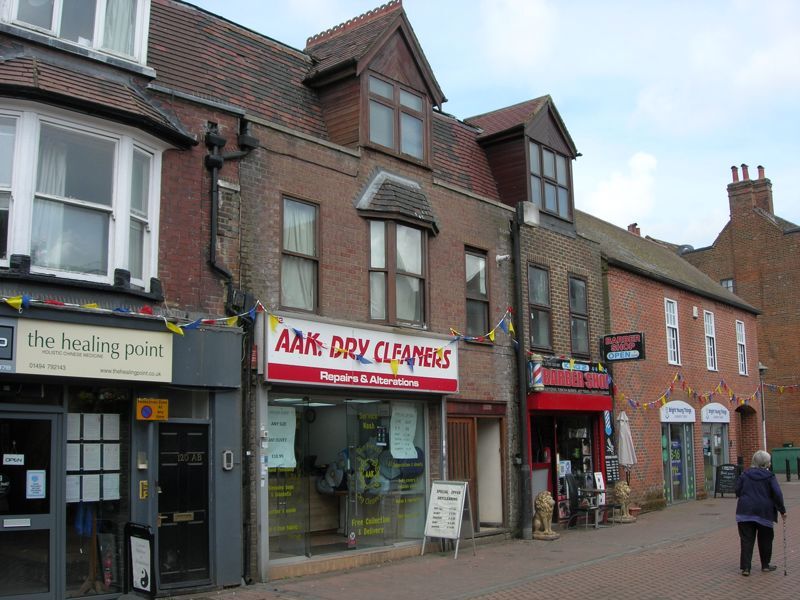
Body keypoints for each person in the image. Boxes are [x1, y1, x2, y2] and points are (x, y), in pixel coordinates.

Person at [735, 450, 787, 576]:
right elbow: (777, 494)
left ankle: (746, 568)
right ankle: (765, 565)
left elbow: (737, 490)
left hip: (745, 511)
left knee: (746, 540)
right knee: (766, 539)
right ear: (766, 463)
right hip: (764, 512)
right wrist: (782, 510)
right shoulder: (769, 476)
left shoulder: (745, 474)